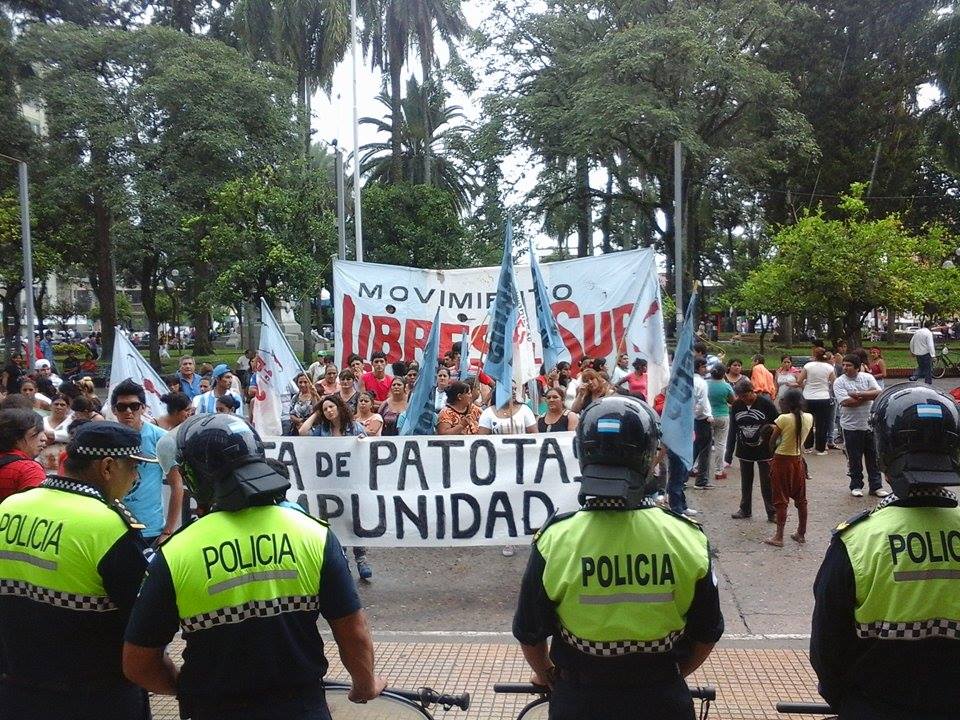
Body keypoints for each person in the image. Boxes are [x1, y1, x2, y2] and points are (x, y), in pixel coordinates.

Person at [122, 414, 385, 720]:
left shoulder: (175, 552)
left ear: (195, 476)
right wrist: (364, 684)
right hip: (301, 708)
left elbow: (138, 662)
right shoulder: (313, 534)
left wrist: (188, 688)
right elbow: (352, 629)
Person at [512, 396, 723, 720]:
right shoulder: (687, 537)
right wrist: (667, 677)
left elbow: (530, 633)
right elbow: (707, 633)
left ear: (583, 453)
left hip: (579, 702)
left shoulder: (554, 540)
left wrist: (547, 675)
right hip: (663, 702)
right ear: (649, 456)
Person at [810, 385, 960, 720]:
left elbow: (827, 646)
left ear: (883, 454)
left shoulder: (858, 541)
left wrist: (848, 703)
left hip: (872, 707)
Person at [0, 422, 153, 720]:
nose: (135, 477)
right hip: (97, 698)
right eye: (133, 467)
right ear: (107, 467)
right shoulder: (109, 527)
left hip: (15, 690)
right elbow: (145, 617)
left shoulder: (9, 508)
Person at [111, 379, 184, 546]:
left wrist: (168, 531)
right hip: (113, 528)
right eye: (122, 407)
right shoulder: (106, 439)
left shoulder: (160, 439)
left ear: (143, 408)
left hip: (150, 530)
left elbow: (176, 484)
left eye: (134, 406)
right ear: (114, 410)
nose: (128, 411)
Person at [833, 354, 890, 499]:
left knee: (873, 458)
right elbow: (846, 402)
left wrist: (858, 394)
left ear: (857, 367)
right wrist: (867, 397)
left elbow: (878, 393)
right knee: (854, 459)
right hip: (851, 426)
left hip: (870, 425)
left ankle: (876, 486)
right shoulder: (839, 382)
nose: (845, 368)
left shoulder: (867, 377)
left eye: (849, 365)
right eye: (844, 365)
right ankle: (856, 485)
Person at [765, 388, 812, 547]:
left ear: (787, 403)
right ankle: (801, 533)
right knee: (801, 500)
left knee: (780, 500)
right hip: (798, 461)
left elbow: (772, 442)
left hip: (782, 461)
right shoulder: (809, 417)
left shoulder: (783, 419)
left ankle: (779, 537)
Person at [729, 379, 778, 521]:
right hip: (744, 448)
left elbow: (778, 423)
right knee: (746, 481)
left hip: (764, 449)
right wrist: (729, 452)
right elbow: (733, 428)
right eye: (740, 397)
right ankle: (745, 509)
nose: (743, 399)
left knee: (767, 482)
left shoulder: (766, 403)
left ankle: (772, 511)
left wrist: (773, 439)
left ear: (752, 391)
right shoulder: (737, 405)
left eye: (745, 396)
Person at [0, 408, 47, 502]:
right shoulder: (29, 469)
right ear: (16, 437)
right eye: (37, 432)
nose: (44, 438)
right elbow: (35, 505)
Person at [798, 347, 836, 455]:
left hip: (808, 397)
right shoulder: (829, 367)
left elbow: (799, 380)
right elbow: (834, 381)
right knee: (822, 424)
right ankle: (820, 448)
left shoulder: (808, 366)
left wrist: (806, 386)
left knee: (808, 422)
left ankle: (808, 447)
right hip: (823, 397)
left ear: (814, 355)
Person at [706, 364, 734, 482]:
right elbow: (732, 400)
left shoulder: (706, 384)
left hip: (707, 416)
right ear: (724, 374)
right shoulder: (726, 386)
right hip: (722, 415)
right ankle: (719, 470)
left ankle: (696, 467)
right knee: (720, 444)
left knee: (703, 443)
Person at [298, 396, 366, 438]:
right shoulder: (322, 429)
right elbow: (302, 432)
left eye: (331, 406)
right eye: (325, 409)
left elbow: (366, 444)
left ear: (339, 408)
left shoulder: (354, 426)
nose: (329, 410)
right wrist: (317, 413)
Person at [40, 393, 73, 471]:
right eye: (56, 404)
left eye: (62, 405)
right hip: (44, 460)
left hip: (64, 462)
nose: (59, 407)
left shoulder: (72, 421)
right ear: (51, 406)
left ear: (68, 407)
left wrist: (50, 435)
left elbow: (71, 436)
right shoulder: (43, 421)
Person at [909, 320, 936, 385]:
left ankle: (914, 377)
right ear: (930, 326)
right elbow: (930, 345)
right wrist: (933, 355)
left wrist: (912, 351)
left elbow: (911, 342)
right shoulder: (928, 333)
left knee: (921, 367)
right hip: (926, 353)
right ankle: (928, 383)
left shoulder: (917, 332)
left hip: (918, 353)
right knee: (928, 369)